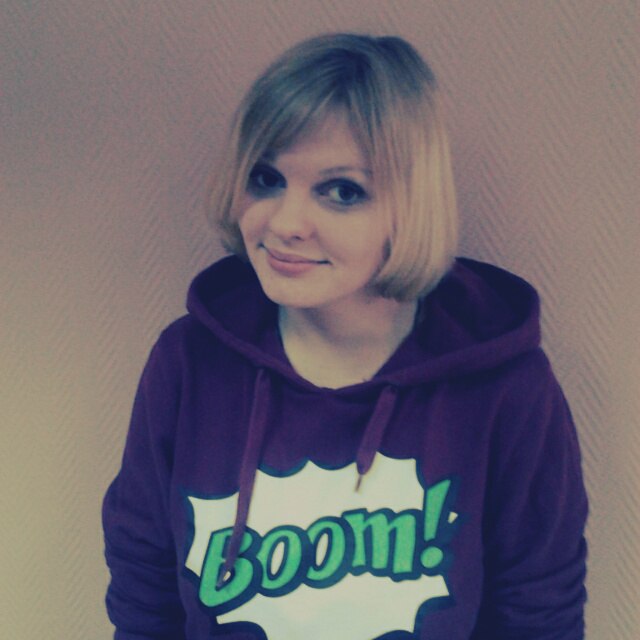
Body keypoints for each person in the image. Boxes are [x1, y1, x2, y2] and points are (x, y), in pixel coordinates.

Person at [102, 33, 588, 639]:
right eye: (265, 178)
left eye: (342, 191)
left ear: (410, 207)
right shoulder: (188, 362)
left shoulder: (506, 388)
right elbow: (143, 581)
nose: (286, 223)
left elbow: (538, 611)